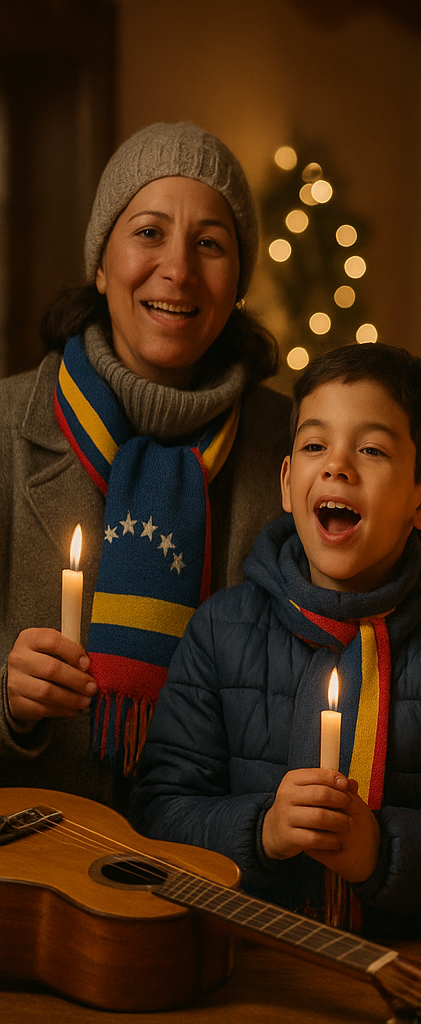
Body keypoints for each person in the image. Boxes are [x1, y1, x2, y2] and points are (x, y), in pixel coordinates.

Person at [133, 344, 421, 933]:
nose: (337, 466)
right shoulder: (220, 630)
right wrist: (263, 831)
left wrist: (381, 848)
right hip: (248, 955)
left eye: (371, 449)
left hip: (407, 958)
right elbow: (157, 813)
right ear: (286, 481)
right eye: (314, 445)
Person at [1, 122, 290, 809]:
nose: (179, 269)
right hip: (38, 858)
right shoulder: (7, 425)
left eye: (210, 245)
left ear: (238, 283)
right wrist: (6, 693)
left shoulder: (294, 444)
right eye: (149, 232)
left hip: (220, 860)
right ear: (101, 263)